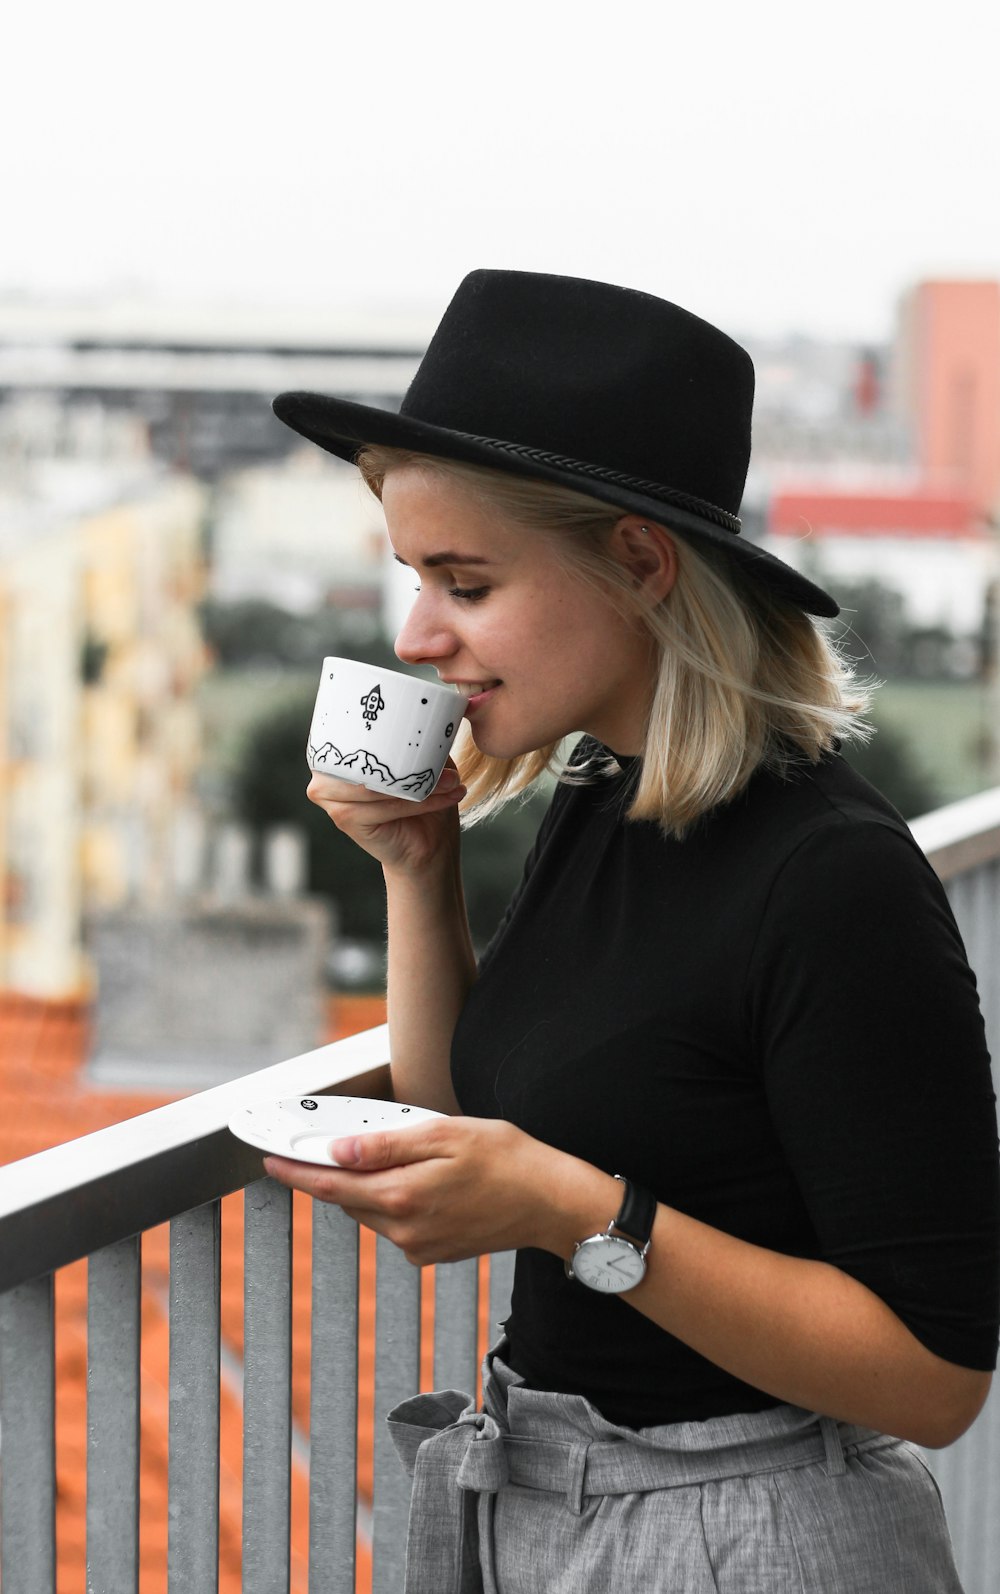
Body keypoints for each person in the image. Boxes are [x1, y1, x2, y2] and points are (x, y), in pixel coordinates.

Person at [265, 270, 1000, 1592]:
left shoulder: (832, 876)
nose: (418, 634)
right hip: (553, 1506)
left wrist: (575, 1209)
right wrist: (419, 866)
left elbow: (935, 1372)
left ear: (641, 564)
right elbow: (464, 1106)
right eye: (414, 577)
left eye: (464, 580)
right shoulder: (603, 793)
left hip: (754, 1540)